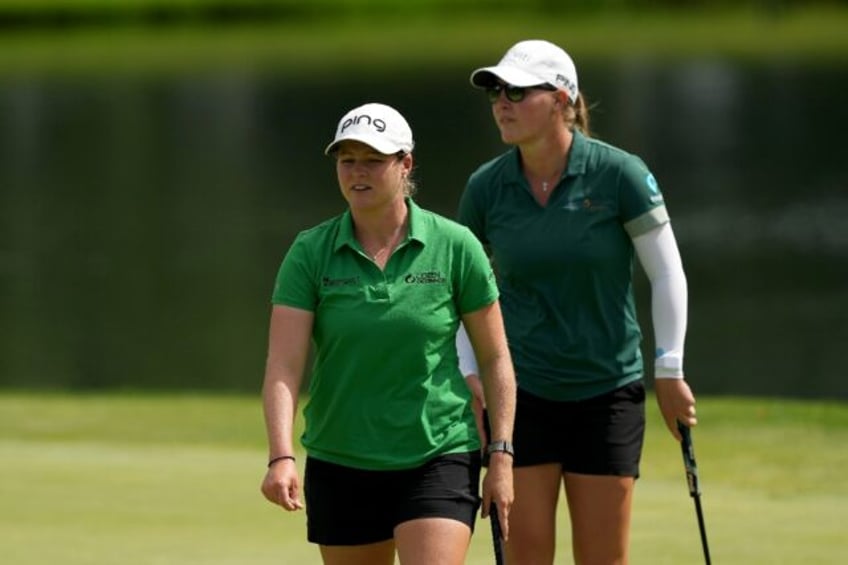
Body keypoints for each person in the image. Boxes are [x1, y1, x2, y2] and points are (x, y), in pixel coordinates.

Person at [456, 40, 698, 564]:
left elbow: (667, 273)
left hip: (606, 392)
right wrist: (470, 373)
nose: (503, 102)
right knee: (527, 557)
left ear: (562, 98)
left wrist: (669, 368)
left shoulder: (619, 174)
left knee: (603, 559)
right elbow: (462, 293)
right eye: (497, 91)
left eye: (518, 91)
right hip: (521, 397)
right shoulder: (487, 188)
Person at [259, 102, 516, 565]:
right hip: (341, 459)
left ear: (405, 164)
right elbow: (284, 364)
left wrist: (501, 455)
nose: (358, 172)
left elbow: (496, 358)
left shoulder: (455, 246)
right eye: (347, 160)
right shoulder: (310, 251)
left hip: (438, 454)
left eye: (374, 160)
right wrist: (281, 455)